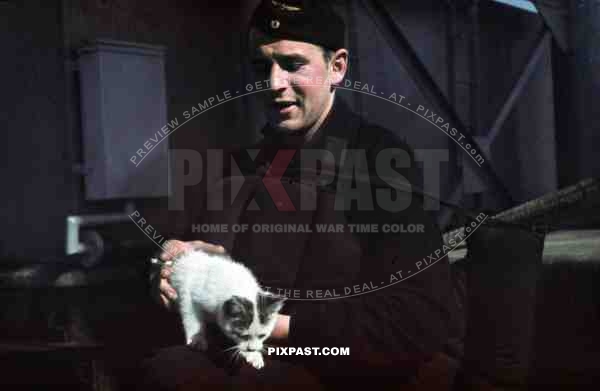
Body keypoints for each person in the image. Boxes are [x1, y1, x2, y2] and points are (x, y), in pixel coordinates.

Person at [141, 1, 464, 390]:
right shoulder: (243, 166)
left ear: (337, 67)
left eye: (293, 65)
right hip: (244, 359)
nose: (274, 84)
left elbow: (417, 318)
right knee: (167, 369)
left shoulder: (376, 162)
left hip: (337, 367)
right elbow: (210, 261)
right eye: (262, 67)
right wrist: (174, 268)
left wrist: (275, 327)